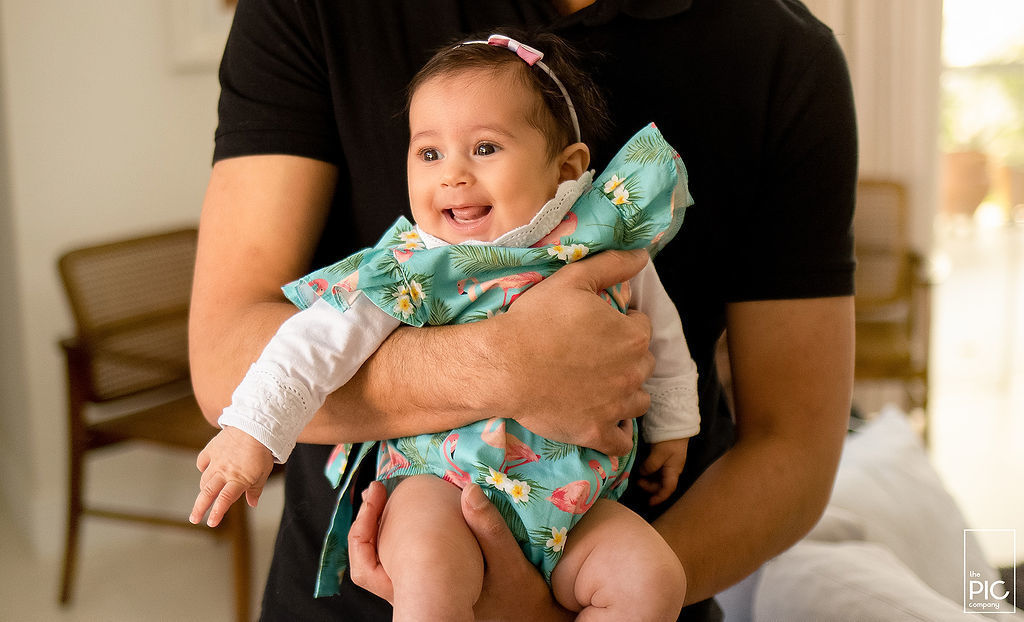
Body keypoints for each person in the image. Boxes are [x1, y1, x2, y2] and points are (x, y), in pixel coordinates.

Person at [189, 1, 857, 620]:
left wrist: (675, 422)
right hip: (440, 486)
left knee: (651, 580)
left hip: (574, 499)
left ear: (567, 168)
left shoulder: (610, 236)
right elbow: (305, 344)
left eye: (484, 148)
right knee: (429, 568)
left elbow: (673, 344)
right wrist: (251, 435)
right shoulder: (412, 264)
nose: (452, 174)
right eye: (428, 153)